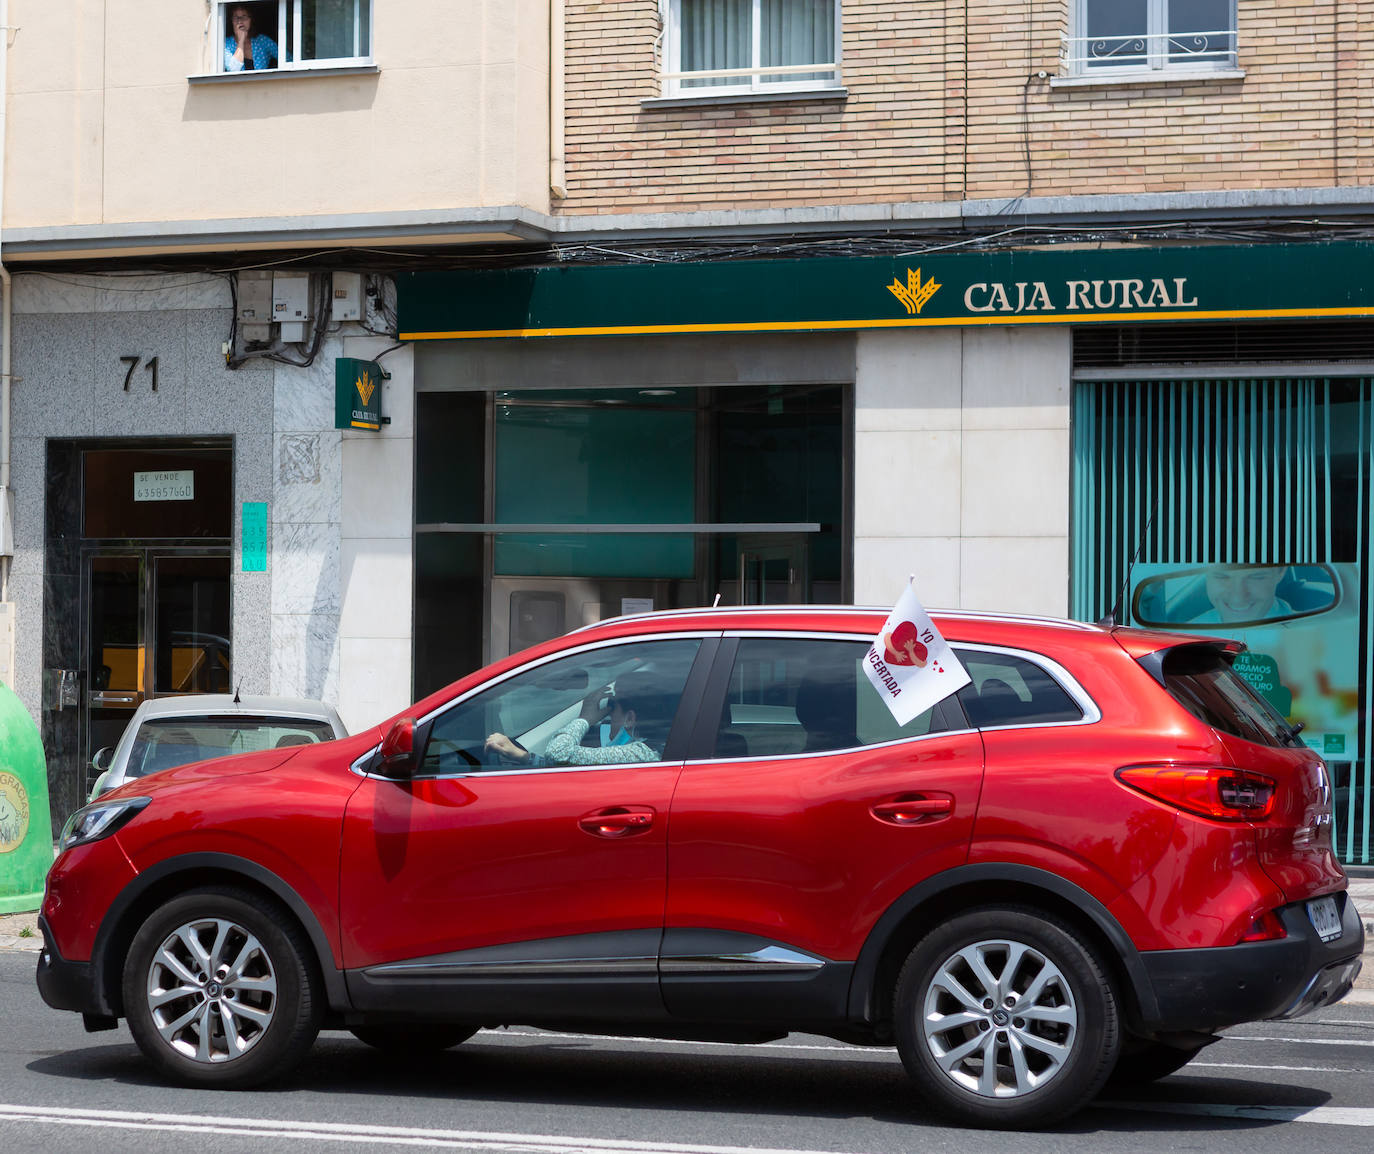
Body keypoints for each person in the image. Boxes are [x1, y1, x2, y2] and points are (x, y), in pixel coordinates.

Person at [484, 671, 664, 767]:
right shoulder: (650, 751)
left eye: (611, 708)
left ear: (630, 718)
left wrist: (584, 719)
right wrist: (522, 756)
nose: (606, 718)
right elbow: (565, 763)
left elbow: (559, 753)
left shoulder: (641, 753)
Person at [1191, 564, 1293, 624]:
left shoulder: (1305, 630)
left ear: (1281, 572)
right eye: (1221, 576)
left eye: (1256, 577)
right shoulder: (1187, 635)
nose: (1238, 599)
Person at [224, 5, 278, 72]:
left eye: (244, 17)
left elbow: (287, 59)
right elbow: (233, 69)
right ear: (231, 21)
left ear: (251, 20)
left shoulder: (263, 41)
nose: (240, 21)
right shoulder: (226, 44)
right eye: (236, 18)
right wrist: (241, 42)